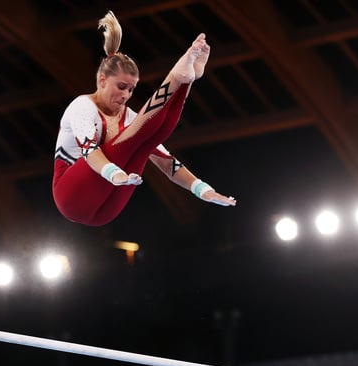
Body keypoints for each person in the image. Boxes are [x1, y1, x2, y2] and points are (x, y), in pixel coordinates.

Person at [53, 11, 236, 227]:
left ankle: (186, 81)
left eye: (131, 90)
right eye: (121, 87)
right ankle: (178, 77)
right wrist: (116, 175)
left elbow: (167, 163)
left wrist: (204, 190)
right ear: (102, 80)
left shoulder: (129, 116)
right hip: (71, 196)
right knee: (138, 133)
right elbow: (90, 152)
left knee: (148, 140)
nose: (126, 96)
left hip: (105, 211)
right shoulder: (82, 107)